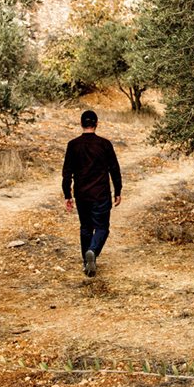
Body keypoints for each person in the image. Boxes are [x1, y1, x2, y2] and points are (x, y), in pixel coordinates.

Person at [62, 110, 122, 277]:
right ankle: (92, 252)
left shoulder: (73, 145)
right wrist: (118, 190)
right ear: (96, 123)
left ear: (81, 124)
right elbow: (114, 169)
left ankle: (86, 263)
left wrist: (67, 194)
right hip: (101, 194)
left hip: (82, 195)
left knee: (86, 227)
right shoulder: (104, 144)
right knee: (102, 227)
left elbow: (67, 172)